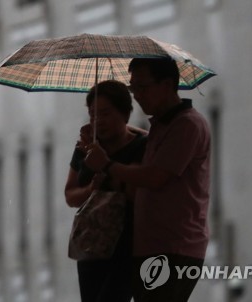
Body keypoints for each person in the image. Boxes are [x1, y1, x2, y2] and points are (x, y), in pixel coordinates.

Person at [84, 57, 211, 302]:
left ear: (166, 84)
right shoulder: (161, 127)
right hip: (151, 245)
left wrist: (108, 164)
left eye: (142, 87)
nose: (137, 95)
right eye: (133, 88)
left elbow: (155, 177)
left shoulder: (187, 125)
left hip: (174, 246)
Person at [64, 80, 147, 302]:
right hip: (92, 245)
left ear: (125, 114)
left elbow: (140, 195)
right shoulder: (85, 148)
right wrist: (91, 188)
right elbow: (70, 195)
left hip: (129, 247)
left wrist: (107, 167)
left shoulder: (141, 147)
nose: (98, 121)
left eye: (105, 113)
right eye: (92, 114)